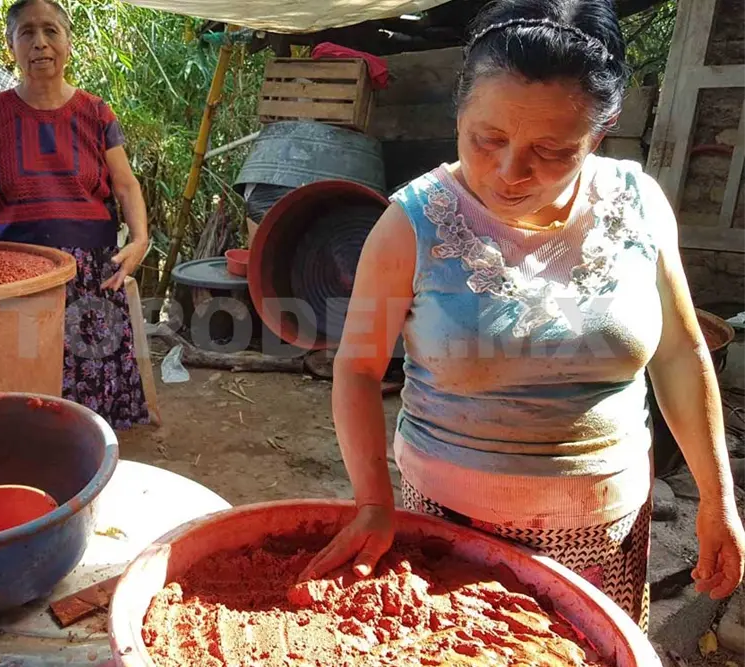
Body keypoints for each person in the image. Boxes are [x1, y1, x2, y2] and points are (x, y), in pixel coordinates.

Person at [302, 0, 745, 632]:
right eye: (487, 140)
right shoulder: (413, 223)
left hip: (607, 531)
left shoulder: (639, 204)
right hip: (452, 527)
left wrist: (717, 497)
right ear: (459, 111)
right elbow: (357, 368)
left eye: (553, 150)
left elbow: (679, 353)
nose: (511, 172)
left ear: (600, 133)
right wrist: (373, 502)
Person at [0, 0, 150, 430]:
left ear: (68, 43)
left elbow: (126, 184)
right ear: (10, 46)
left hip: (90, 271)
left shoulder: (96, 112)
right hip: (19, 274)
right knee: (30, 393)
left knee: (91, 402)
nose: (40, 43)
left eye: (51, 31)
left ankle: (93, 455)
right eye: (27, 33)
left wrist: (140, 240)